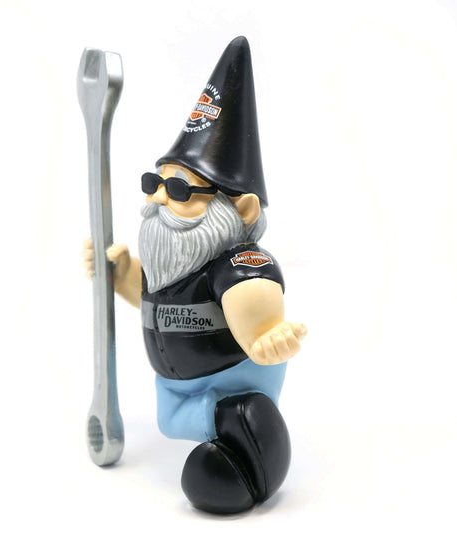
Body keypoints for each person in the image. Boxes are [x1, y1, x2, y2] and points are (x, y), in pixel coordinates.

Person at [83, 36, 307, 514]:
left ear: (240, 209)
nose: (159, 200)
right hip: (176, 388)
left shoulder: (238, 264)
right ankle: (224, 425)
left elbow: (256, 297)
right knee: (169, 422)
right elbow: (149, 293)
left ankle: (250, 429)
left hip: (234, 378)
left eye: (181, 190)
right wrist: (120, 273)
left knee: (227, 420)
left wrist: (265, 336)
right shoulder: (172, 261)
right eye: (156, 184)